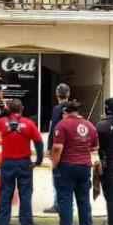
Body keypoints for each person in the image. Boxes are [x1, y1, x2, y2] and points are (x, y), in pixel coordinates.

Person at [0, 99, 43, 225]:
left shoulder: (2, 123)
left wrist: (4, 112)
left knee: (5, 195)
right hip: (24, 164)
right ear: (22, 109)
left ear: (10, 109)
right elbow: (39, 143)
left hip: (7, 163)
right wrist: (38, 160)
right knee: (25, 196)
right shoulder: (29, 124)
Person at [50, 100, 99, 225]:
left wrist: (54, 164)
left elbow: (57, 148)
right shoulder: (89, 125)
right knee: (84, 201)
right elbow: (95, 147)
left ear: (65, 112)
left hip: (66, 166)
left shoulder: (62, 125)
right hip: (84, 167)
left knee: (65, 201)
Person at [43, 82, 70, 214]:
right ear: (68, 94)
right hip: (71, 147)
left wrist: (49, 148)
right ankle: (67, 203)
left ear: (56, 95)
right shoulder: (73, 108)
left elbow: (53, 129)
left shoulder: (57, 109)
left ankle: (58, 204)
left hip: (59, 146)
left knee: (57, 174)